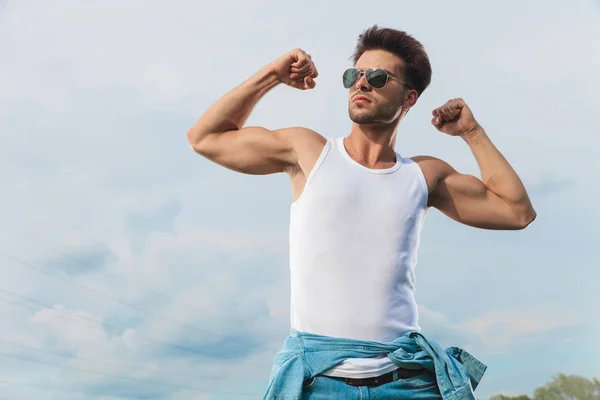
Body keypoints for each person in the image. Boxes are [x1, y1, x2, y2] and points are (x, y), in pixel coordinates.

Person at [186, 25, 536, 400]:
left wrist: (472, 132)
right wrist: (272, 75)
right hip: (319, 383)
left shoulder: (424, 175)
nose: (362, 84)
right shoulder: (308, 153)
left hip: (405, 383)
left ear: (409, 98)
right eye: (355, 75)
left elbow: (516, 212)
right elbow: (206, 138)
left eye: (379, 77)